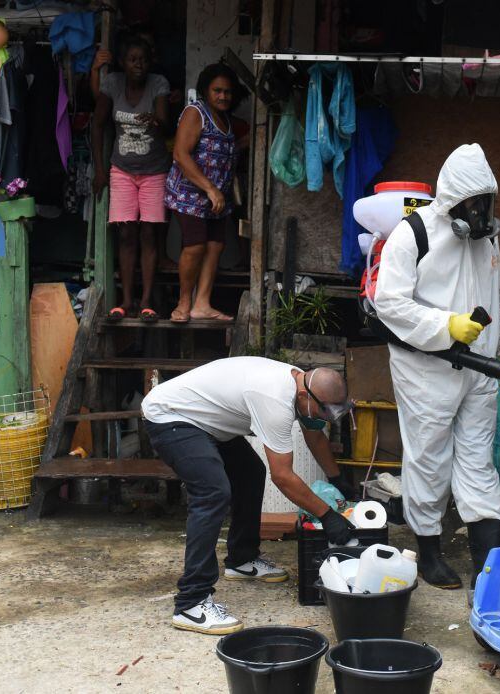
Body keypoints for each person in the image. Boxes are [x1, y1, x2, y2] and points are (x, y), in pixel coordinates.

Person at [373, 143, 500, 592]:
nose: (480, 212)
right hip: (426, 367)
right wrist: (446, 326)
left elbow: (496, 297)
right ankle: (429, 553)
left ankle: (487, 565)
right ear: (453, 200)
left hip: (480, 367)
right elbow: (389, 304)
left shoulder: (487, 238)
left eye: (486, 203)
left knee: (478, 460)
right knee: (430, 459)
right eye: (473, 203)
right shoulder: (412, 234)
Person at [142, 357, 358, 634]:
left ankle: (241, 559)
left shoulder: (302, 390)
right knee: (212, 493)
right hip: (172, 416)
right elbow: (283, 476)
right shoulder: (275, 399)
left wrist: (337, 478)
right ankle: (191, 603)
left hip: (208, 421)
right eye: (324, 410)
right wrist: (328, 517)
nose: (325, 417)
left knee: (250, 473)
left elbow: (314, 436)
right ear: (305, 395)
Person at [92, 35, 170, 322]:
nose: (139, 65)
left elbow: (164, 117)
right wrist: (100, 170)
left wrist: (157, 121)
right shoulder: (112, 83)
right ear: (123, 63)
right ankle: (125, 301)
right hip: (121, 169)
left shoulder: (158, 83)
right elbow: (97, 126)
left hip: (154, 170)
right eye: (133, 59)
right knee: (125, 233)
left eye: (144, 60)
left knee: (149, 233)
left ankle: (147, 302)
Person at [164, 63, 240, 322]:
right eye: (217, 90)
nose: (222, 96)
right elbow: (180, 153)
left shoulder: (226, 119)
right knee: (195, 246)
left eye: (227, 92)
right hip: (189, 195)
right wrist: (209, 189)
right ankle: (183, 304)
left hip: (215, 198)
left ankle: (202, 304)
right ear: (206, 91)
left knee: (215, 246)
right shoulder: (195, 113)